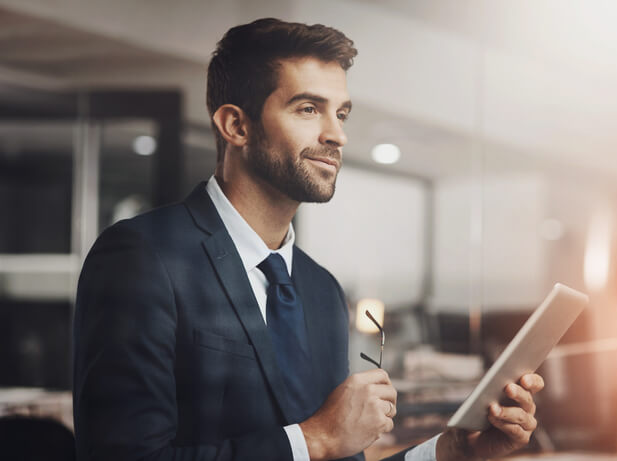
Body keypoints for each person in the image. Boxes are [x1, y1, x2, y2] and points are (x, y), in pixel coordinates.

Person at [72, 18, 544, 461]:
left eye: (341, 113)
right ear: (236, 125)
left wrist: (451, 452)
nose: (336, 134)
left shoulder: (320, 291)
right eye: (308, 109)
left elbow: (335, 452)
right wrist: (315, 437)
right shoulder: (142, 257)